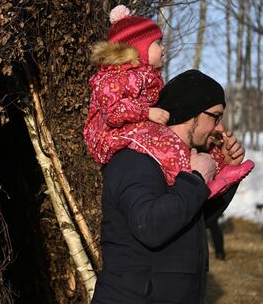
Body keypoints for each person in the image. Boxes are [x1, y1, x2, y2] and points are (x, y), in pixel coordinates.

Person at [91, 69, 250, 303]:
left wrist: (226, 172)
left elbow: (194, 221)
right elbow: (150, 225)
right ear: (191, 111)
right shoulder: (136, 158)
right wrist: (196, 178)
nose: (219, 128)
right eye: (215, 116)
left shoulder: (176, 160)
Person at [84, 5, 253, 193]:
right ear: (139, 48)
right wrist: (147, 112)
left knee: (173, 142)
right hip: (110, 135)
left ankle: (216, 171)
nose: (163, 47)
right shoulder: (118, 77)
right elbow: (112, 112)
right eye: (157, 42)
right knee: (168, 144)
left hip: (131, 128)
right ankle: (199, 181)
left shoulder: (145, 76)